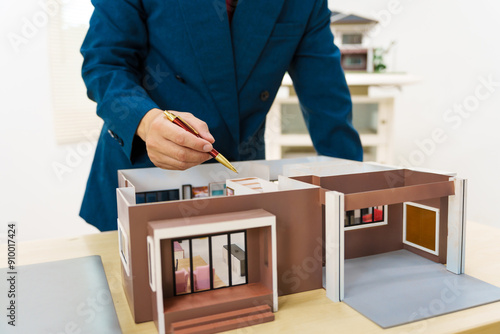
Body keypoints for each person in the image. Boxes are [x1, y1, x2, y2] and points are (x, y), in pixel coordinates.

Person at [80, 0, 363, 231]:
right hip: (141, 169)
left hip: (240, 174)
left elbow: (326, 97)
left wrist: (353, 191)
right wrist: (146, 121)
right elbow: (105, 64)